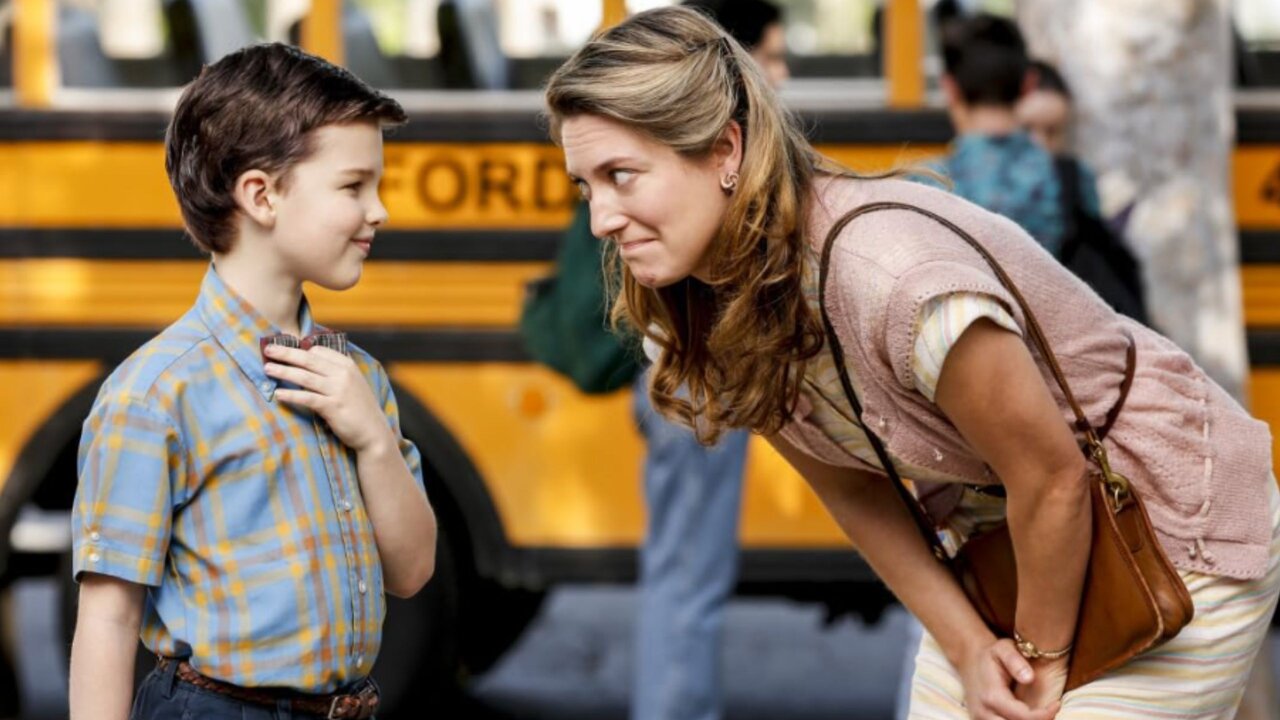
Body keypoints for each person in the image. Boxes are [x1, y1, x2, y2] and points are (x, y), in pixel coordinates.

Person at [545, 7, 1280, 719]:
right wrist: (966, 649)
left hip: (1166, 520)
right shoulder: (706, 305)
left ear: (725, 152)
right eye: (586, 186)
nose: (600, 220)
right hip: (1011, 547)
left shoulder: (896, 282)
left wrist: (1040, 658)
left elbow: (1052, 476)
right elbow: (855, 494)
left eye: (622, 175)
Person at [68, 43, 436, 720]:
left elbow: (411, 572)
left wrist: (376, 442)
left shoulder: (358, 380)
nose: (379, 210)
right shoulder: (155, 394)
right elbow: (108, 620)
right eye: (354, 187)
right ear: (261, 196)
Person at [626, 3, 786, 719]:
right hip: (700, 378)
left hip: (680, 373)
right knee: (690, 572)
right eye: (773, 56)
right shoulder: (712, 157)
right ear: (735, 62)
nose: (783, 74)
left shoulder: (672, 140)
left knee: (681, 568)